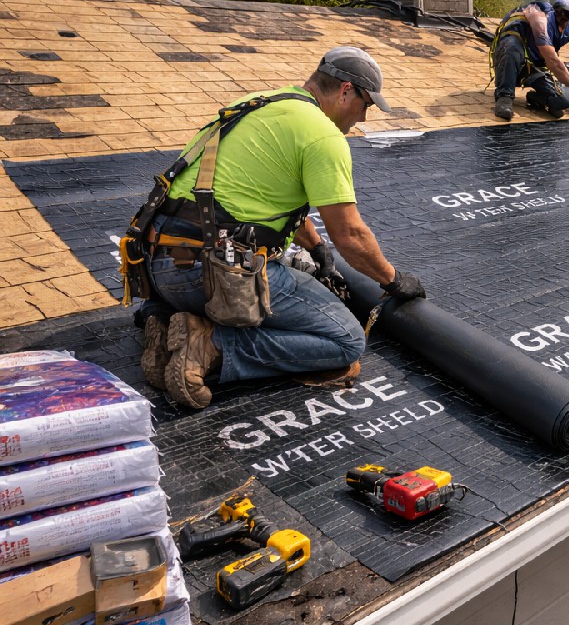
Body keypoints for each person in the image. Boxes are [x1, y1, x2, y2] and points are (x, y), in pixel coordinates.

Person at [134, 46, 426, 410]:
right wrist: (392, 279)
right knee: (346, 341)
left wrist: (318, 250)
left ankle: (163, 322)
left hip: (157, 264)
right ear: (346, 90)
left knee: (274, 262)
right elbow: (350, 235)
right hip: (210, 275)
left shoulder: (260, 102)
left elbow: (270, 202)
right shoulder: (322, 135)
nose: (363, 117)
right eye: (366, 104)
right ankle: (212, 344)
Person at [490, 0, 569, 120]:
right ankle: (504, 97)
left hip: (534, 66)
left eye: (566, 14)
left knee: (562, 101)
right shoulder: (541, 22)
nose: (562, 16)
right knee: (510, 46)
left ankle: (536, 98)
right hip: (513, 63)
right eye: (558, 12)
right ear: (553, 10)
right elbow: (552, 60)